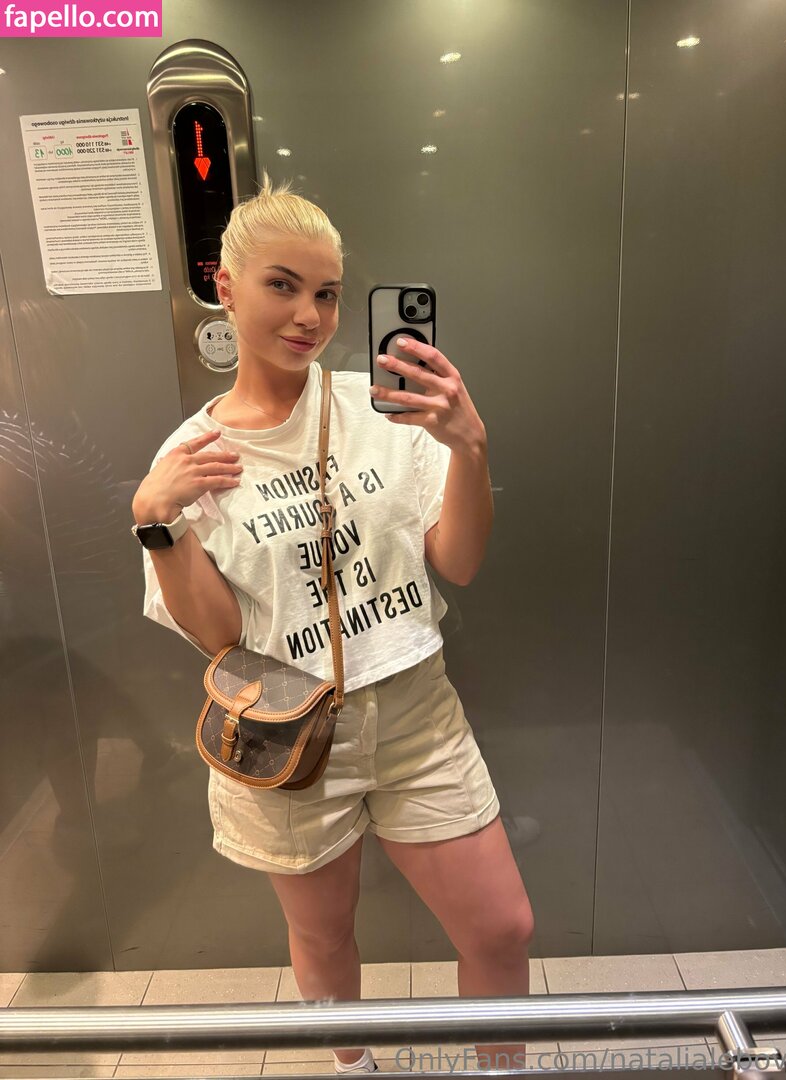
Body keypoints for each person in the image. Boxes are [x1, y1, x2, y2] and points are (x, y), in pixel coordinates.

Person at [132, 173, 535, 1072]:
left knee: (502, 928)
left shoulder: (381, 411)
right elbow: (220, 636)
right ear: (225, 285)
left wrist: (470, 448)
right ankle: (352, 1067)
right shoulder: (194, 454)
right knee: (324, 938)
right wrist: (157, 523)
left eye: (327, 293)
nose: (309, 315)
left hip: (417, 714)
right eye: (283, 285)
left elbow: (459, 561)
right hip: (288, 732)